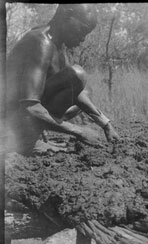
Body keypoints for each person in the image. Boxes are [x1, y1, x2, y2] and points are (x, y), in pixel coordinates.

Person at [6, 4, 119, 156]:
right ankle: (22, 142)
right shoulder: (40, 42)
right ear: (66, 15)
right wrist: (79, 131)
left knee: (83, 88)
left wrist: (105, 123)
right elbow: (30, 107)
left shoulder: (57, 44)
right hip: (7, 123)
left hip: (20, 117)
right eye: (82, 30)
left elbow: (76, 91)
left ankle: (32, 138)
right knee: (77, 74)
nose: (82, 38)